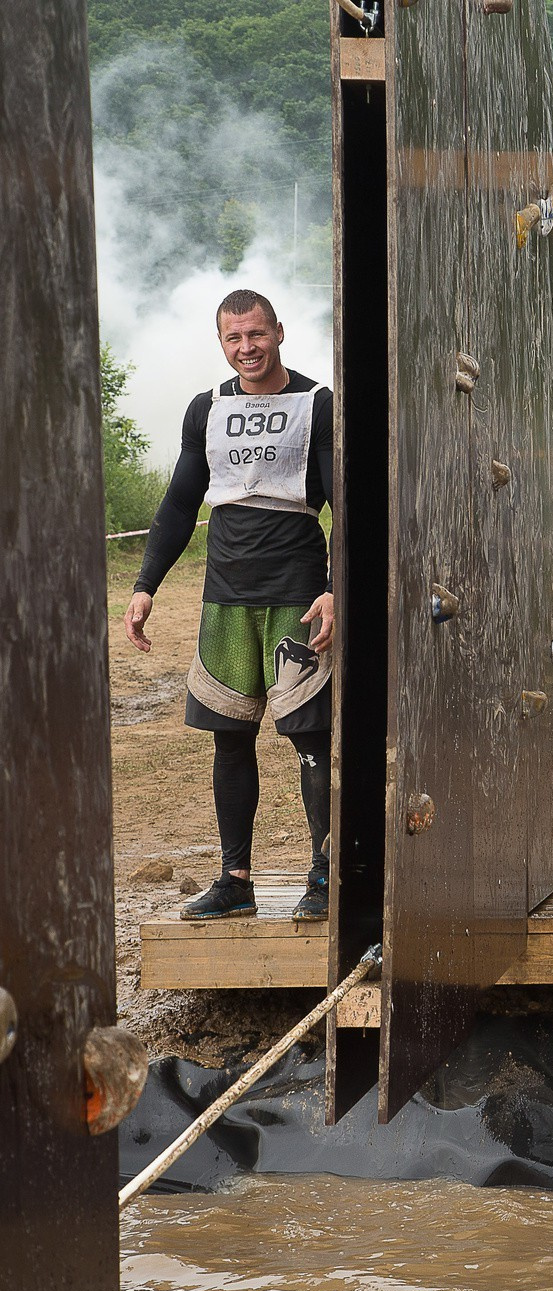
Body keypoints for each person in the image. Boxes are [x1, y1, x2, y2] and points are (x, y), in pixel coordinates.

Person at [123, 290, 336, 923]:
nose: (247, 348)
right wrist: (145, 585)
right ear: (221, 341)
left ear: (278, 332)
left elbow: (350, 503)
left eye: (256, 335)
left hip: (297, 594)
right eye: (233, 338)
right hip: (226, 598)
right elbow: (179, 504)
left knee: (311, 739)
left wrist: (336, 589)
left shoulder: (317, 404)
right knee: (229, 739)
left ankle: (324, 875)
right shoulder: (207, 409)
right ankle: (234, 879)